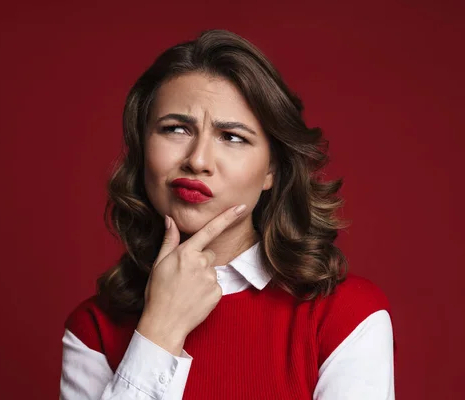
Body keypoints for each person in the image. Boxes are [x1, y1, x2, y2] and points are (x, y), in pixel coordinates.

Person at [59, 29, 395, 400]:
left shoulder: (346, 316)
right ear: (142, 150)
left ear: (271, 171)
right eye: (175, 129)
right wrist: (159, 330)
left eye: (232, 137)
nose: (198, 160)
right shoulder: (95, 329)